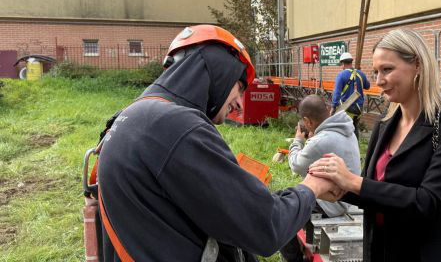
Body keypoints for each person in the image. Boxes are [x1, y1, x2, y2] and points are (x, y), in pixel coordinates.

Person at [97, 25, 340, 262]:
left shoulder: (133, 116)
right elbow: (265, 227)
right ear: (220, 69)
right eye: (240, 88)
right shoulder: (176, 127)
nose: (241, 105)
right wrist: (312, 186)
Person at [310, 28, 441, 261]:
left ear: (417, 65)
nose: (379, 81)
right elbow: (377, 190)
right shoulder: (384, 124)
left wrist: (352, 181)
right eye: (376, 72)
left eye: (387, 69)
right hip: (381, 249)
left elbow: (427, 202)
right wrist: (340, 190)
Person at [280, 95, 361, 262]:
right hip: (350, 198)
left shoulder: (320, 141)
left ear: (307, 121)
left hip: (332, 204)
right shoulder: (346, 129)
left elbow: (296, 165)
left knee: (282, 216)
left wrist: (298, 140)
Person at [331, 52, 370, 132]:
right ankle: (355, 144)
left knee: (345, 131)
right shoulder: (360, 74)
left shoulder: (341, 75)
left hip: (347, 108)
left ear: (342, 63)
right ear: (351, 62)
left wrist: (333, 107)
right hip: (359, 109)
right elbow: (367, 86)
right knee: (355, 128)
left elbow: (337, 93)